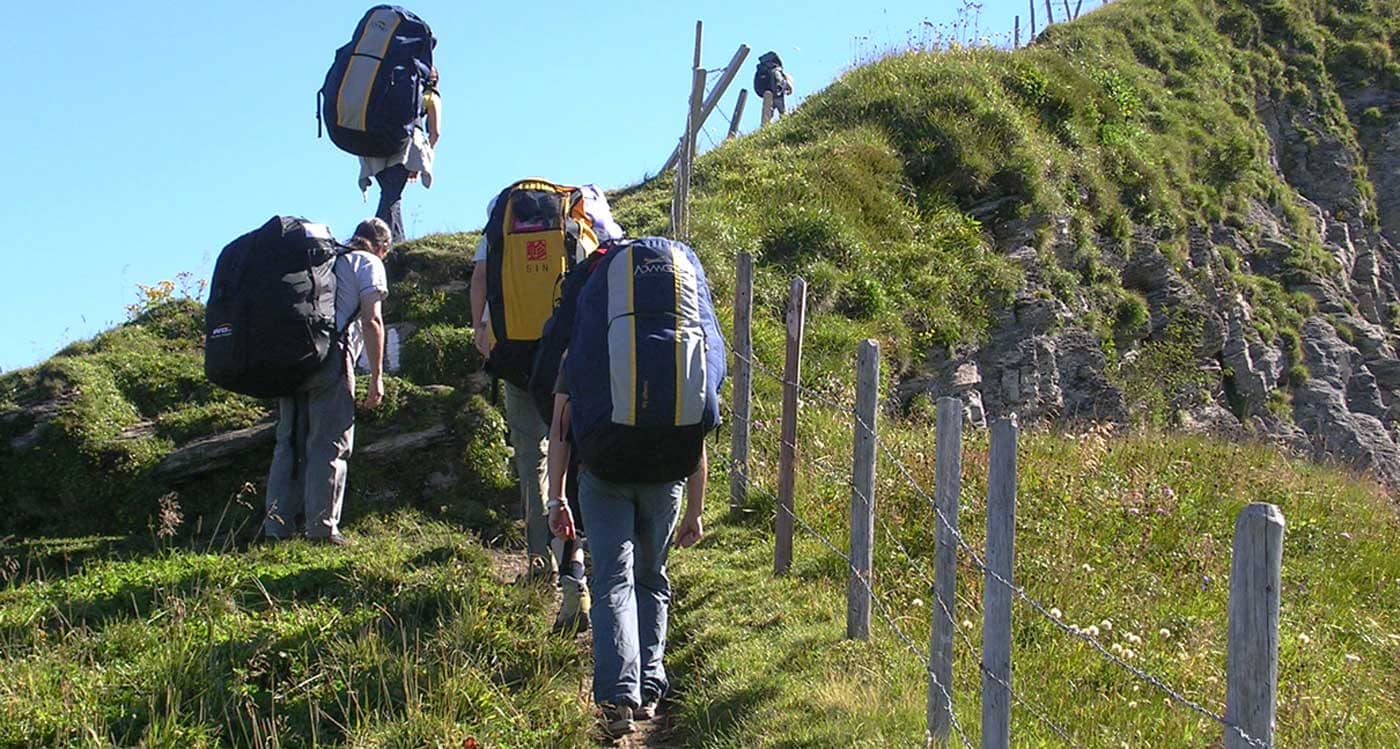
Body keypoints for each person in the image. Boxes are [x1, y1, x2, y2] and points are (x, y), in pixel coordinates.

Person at [549, 237, 723, 739]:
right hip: (667, 474)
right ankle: (650, 684)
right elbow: (694, 428)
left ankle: (618, 697)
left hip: (603, 472)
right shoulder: (680, 342)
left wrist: (557, 496)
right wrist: (696, 508)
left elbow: (561, 426)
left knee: (612, 581)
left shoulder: (589, 346)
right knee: (652, 576)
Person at [469, 182, 612, 584]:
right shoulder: (573, 221)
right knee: (576, 446)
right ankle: (584, 555)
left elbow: (480, 277)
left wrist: (481, 328)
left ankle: (539, 561)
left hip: (514, 352)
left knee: (530, 456)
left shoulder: (500, 227)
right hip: (566, 353)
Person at [264, 218, 392, 545]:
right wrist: (376, 377)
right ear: (382, 246)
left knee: (288, 441)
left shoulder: (323, 259)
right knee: (329, 441)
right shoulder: (368, 261)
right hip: (331, 356)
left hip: (291, 357)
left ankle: (277, 528)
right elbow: (372, 319)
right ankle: (322, 529)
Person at [357, 68, 441, 244]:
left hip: (374, 146)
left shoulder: (388, 86)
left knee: (390, 194)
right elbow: (435, 133)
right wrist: (422, 158)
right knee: (392, 196)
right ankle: (369, 240)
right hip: (406, 147)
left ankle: (395, 242)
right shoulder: (431, 96)